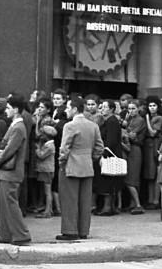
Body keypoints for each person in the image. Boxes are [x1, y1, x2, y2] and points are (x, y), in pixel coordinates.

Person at [56, 97, 104, 241]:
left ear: (75, 109)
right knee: (85, 201)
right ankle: (83, 230)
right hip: (87, 166)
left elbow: (64, 148)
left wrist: (62, 162)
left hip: (71, 165)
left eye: (68, 107)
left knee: (69, 199)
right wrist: (91, 158)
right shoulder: (93, 126)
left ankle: (70, 230)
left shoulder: (70, 126)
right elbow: (99, 147)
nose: (66, 110)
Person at [0, 93, 31, 245]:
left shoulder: (18, 127)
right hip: (7, 171)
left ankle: (21, 234)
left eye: (8, 108)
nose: (6, 110)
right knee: (3, 204)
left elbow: (9, 149)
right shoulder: (15, 125)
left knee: (10, 203)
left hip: (12, 171)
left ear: (16, 109)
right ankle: (5, 234)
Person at [94, 100, 125, 216]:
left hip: (110, 154)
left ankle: (107, 207)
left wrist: (104, 154)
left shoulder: (112, 121)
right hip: (110, 152)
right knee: (108, 180)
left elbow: (111, 140)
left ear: (111, 109)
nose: (102, 109)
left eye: (105, 107)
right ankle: (110, 206)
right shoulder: (107, 121)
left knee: (108, 180)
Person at [121, 99, 146, 215]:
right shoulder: (130, 119)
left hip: (135, 149)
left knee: (131, 179)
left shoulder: (139, 120)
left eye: (133, 108)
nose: (131, 111)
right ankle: (133, 203)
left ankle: (138, 204)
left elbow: (131, 135)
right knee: (131, 178)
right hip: (129, 149)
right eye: (129, 109)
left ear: (138, 108)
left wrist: (124, 127)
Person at [143, 96, 162, 210]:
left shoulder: (159, 118)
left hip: (155, 145)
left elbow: (152, 132)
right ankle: (150, 199)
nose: (152, 108)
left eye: (154, 105)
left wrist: (147, 119)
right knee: (149, 175)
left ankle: (155, 200)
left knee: (156, 174)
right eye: (150, 106)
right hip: (147, 146)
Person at [34, 123, 58, 217]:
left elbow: (41, 155)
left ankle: (48, 211)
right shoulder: (49, 145)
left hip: (46, 170)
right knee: (47, 191)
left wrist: (37, 148)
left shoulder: (49, 146)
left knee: (47, 191)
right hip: (46, 170)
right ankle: (49, 209)